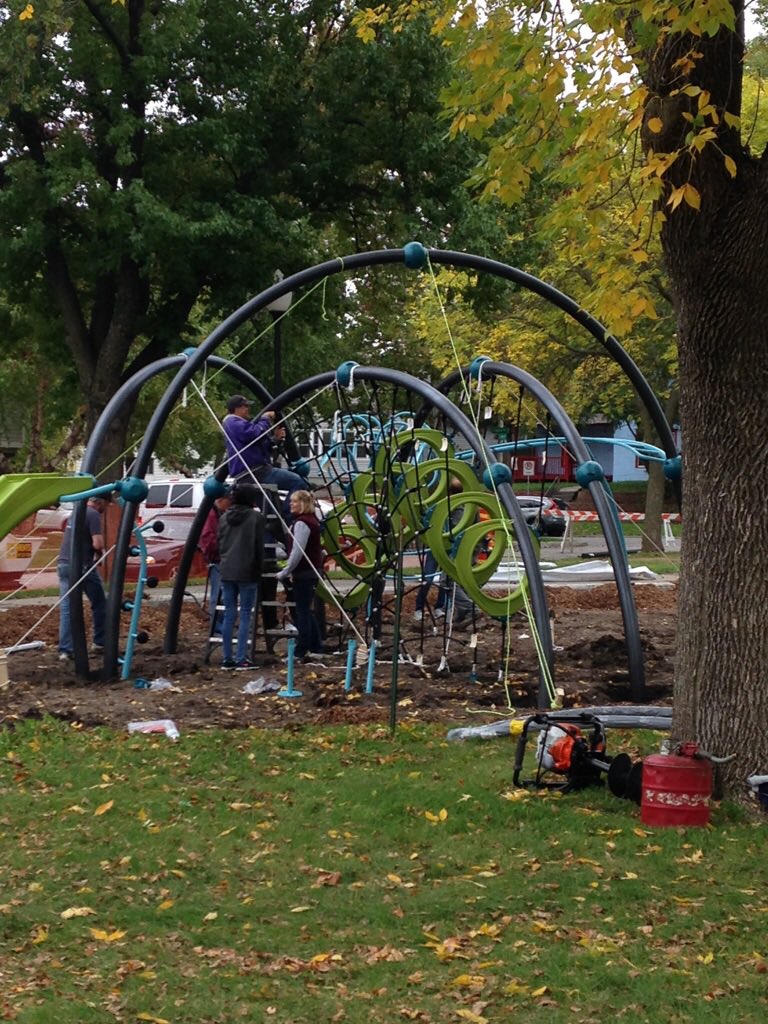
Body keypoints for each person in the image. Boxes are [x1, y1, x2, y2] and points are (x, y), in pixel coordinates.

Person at [222, 395, 306, 514]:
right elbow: (253, 434)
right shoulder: (232, 422)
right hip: (256, 471)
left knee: (270, 514)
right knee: (298, 482)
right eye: (246, 406)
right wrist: (265, 419)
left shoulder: (238, 425)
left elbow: (256, 444)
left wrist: (274, 440)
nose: (248, 409)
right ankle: (288, 514)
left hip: (250, 474)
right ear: (237, 408)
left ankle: (278, 523)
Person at [217, 482, 265, 670]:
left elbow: (221, 543)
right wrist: (259, 569)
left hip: (227, 569)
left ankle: (227, 658)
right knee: (245, 614)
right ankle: (241, 658)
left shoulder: (223, 518)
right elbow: (258, 546)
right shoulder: (256, 518)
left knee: (229, 614)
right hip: (248, 570)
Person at [57, 495, 109, 661]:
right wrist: (101, 553)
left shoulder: (76, 512)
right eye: (106, 504)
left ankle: (66, 650)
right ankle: (100, 642)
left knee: (68, 607)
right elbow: (97, 543)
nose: (106, 508)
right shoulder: (93, 514)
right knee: (100, 602)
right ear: (100, 502)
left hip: (63, 564)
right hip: (81, 567)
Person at [276, 490, 326, 660]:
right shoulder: (310, 521)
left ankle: (301, 650)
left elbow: (298, 551)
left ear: (303, 503)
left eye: (294, 502)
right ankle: (316, 646)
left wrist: (285, 571)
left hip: (304, 572)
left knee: (302, 611)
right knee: (305, 610)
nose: (291, 504)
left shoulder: (302, 523)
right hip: (310, 571)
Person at [199, 492, 232, 635]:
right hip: (218, 559)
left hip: (218, 558)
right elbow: (208, 538)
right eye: (229, 502)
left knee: (220, 594)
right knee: (219, 595)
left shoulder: (214, 513)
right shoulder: (212, 515)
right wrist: (218, 552)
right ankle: (217, 626)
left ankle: (219, 625)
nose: (230, 506)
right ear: (222, 500)